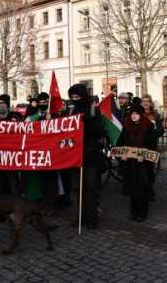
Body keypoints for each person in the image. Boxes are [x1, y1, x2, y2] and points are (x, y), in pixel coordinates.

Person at [67, 83, 106, 229]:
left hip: (90, 155)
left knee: (90, 188)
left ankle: (92, 218)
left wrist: (86, 123)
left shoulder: (93, 108)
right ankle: (80, 216)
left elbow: (100, 131)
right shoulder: (71, 110)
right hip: (75, 156)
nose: (75, 99)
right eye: (72, 97)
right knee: (77, 188)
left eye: (77, 97)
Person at [118, 104, 158, 222]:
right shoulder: (126, 125)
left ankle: (142, 212)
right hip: (130, 163)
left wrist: (144, 155)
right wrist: (122, 154)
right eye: (132, 114)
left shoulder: (148, 126)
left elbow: (152, 144)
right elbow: (121, 142)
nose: (134, 116)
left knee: (142, 187)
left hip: (143, 164)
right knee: (132, 187)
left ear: (141, 115)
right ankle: (133, 211)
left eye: (136, 114)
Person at [0, 94, 23, 196]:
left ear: (7, 105)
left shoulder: (16, 117)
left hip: (12, 156)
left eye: (2, 103)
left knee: (13, 183)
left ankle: (17, 205)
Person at [141, 94, 163, 201]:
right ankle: (147, 192)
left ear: (150, 103)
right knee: (142, 170)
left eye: (147, 101)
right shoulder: (138, 114)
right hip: (140, 147)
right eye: (143, 101)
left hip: (152, 146)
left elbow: (160, 130)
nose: (145, 103)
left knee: (149, 170)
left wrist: (153, 133)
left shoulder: (155, 115)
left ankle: (149, 190)